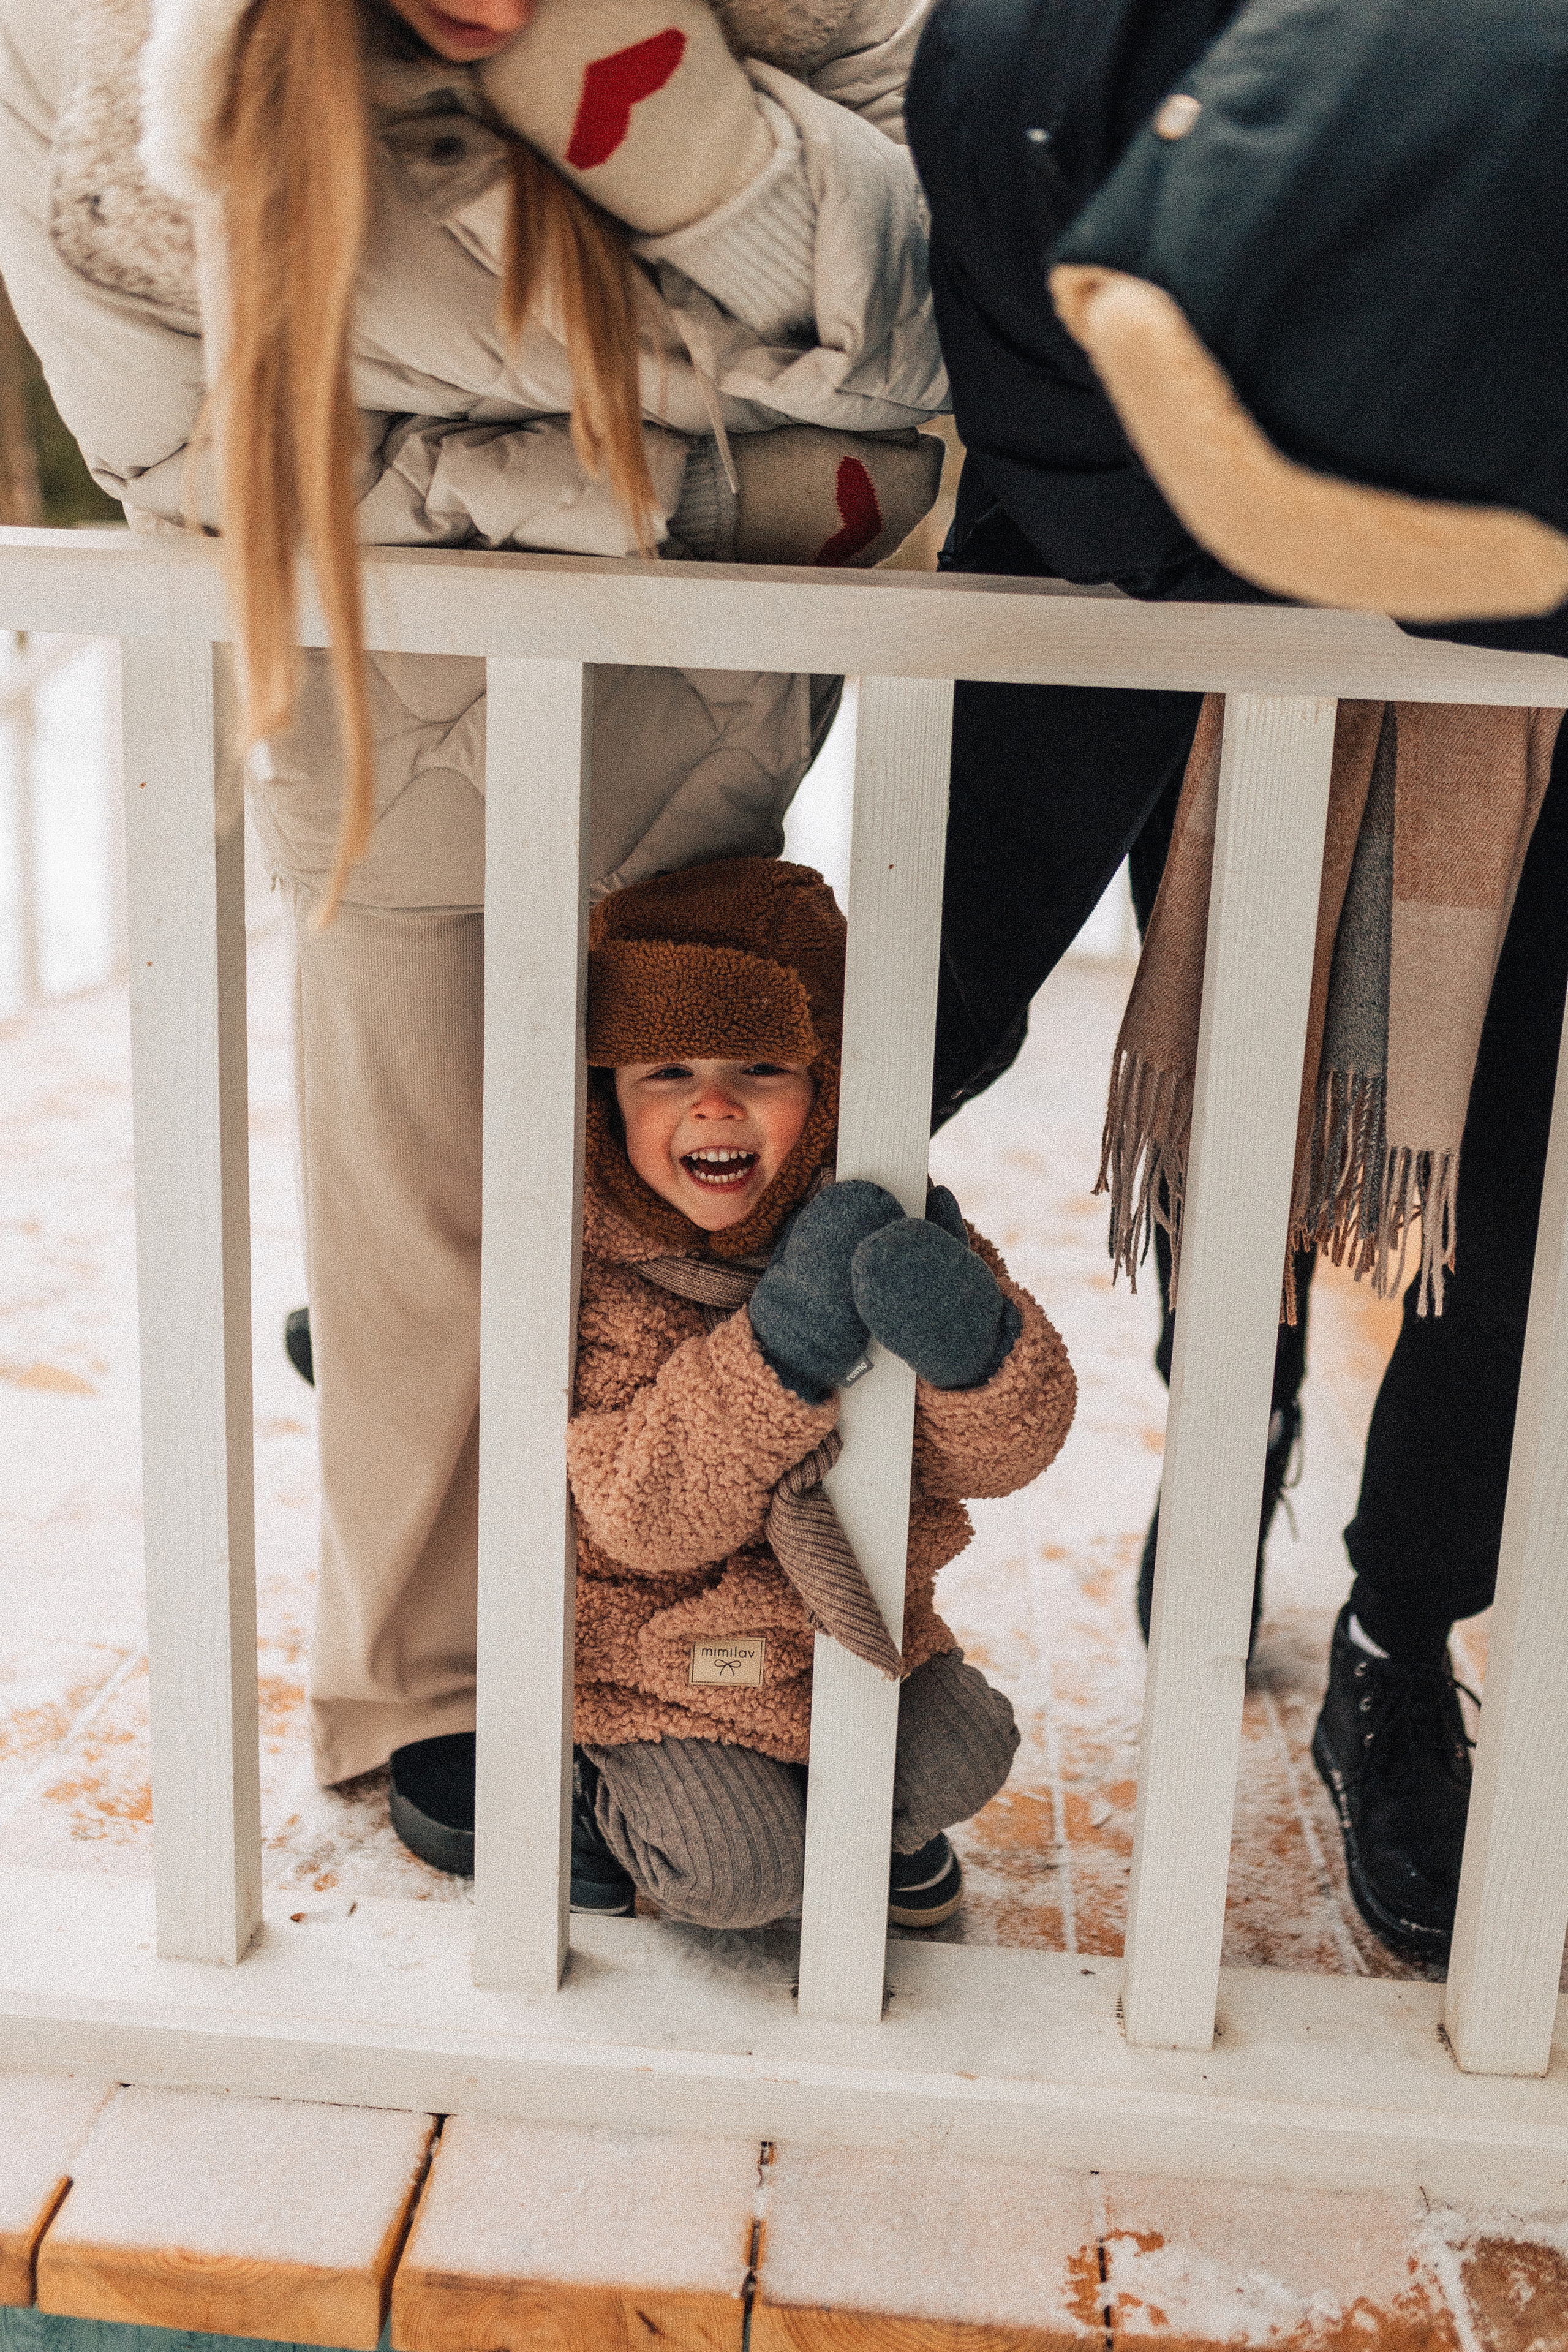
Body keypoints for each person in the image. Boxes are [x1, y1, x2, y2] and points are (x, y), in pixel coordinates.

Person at [0, 0, 947, 1855]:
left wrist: (604, 76)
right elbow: (183, 445)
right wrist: (675, 454)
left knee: (675, 1200)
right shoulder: (95, 33)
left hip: (706, 670)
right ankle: (425, 1672)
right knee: (420, 1200)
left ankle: (658, 1645)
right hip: (387, 672)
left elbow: (920, 356)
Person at [907, 0, 1568, 1960]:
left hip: (1519, 692)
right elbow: (1053, 451)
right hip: (1151, 608)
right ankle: (1234, 1427)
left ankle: (1403, 1624)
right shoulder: (1033, 77)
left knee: (1510, 1154)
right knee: (1232, 1076)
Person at [483, 854, 1072, 1926]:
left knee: (974, 1751)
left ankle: (841, 1809)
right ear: (608, 1099)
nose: (714, 1102)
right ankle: (602, 1793)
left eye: (763, 1067)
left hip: (853, 1632)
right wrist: (783, 1346)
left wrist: (971, 1350)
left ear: (830, 1086)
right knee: (740, 1873)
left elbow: (1000, 1456)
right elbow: (641, 1519)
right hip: (663, 1665)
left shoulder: (877, 1229)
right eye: (666, 1073)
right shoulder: (596, 1273)